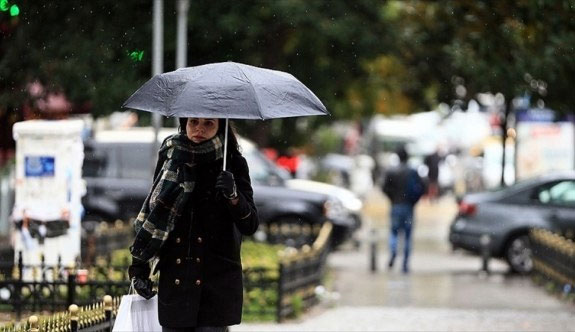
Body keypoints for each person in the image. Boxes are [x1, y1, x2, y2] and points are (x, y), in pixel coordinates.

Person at [128, 117, 259, 332]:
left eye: (209, 123)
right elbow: (154, 215)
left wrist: (233, 195)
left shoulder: (232, 162)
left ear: (220, 128)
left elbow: (250, 224)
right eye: (193, 122)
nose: (199, 129)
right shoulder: (171, 157)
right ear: (184, 123)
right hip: (177, 280)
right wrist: (139, 267)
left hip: (215, 283)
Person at [382, 146, 424, 274]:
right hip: (408, 207)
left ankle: (393, 253)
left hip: (396, 206)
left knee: (394, 233)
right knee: (407, 236)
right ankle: (405, 265)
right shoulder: (413, 172)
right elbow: (421, 188)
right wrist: (413, 202)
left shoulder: (391, 171)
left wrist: (392, 199)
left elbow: (384, 188)